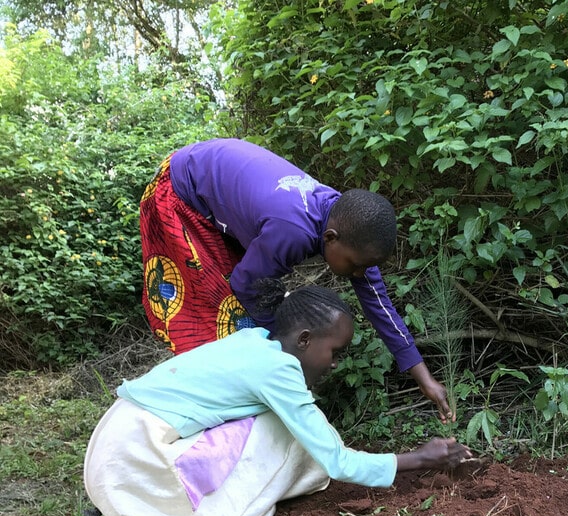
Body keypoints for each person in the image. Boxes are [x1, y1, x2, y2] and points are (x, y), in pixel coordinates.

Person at [83, 283, 471, 516]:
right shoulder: (278, 370)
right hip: (134, 455)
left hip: (117, 445)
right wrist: (421, 458)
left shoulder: (255, 343)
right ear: (304, 340)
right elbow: (337, 461)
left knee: (284, 422)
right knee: (285, 429)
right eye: (334, 352)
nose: (335, 364)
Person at [139, 137, 454, 423]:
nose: (360, 274)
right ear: (330, 238)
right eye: (357, 266)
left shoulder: (349, 228)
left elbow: (379, 306)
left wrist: (424, 378)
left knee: (248, 321)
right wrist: (283, 346)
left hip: (212, 189)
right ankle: (199, 418)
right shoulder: (293, 232)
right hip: (179, 194)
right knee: (221, 321)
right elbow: (247, 285)